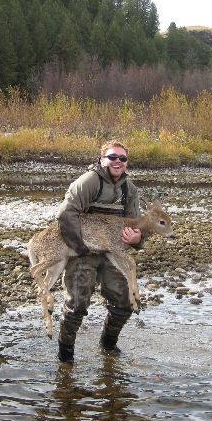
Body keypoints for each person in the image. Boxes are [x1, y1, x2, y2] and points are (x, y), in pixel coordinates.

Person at [56, 140, 143, 364]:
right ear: (101, 159)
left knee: (124, 303)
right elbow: (65, 215)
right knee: (77, 305)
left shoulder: (130, 189)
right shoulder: (89, 181)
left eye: (122, 158)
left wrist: (138, 238)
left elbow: (136, 224)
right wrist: (80, 247)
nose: (117, 162)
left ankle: (108, 346)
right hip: (83, 251)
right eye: (112, 157)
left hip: (113, 252)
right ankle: (65, 356)